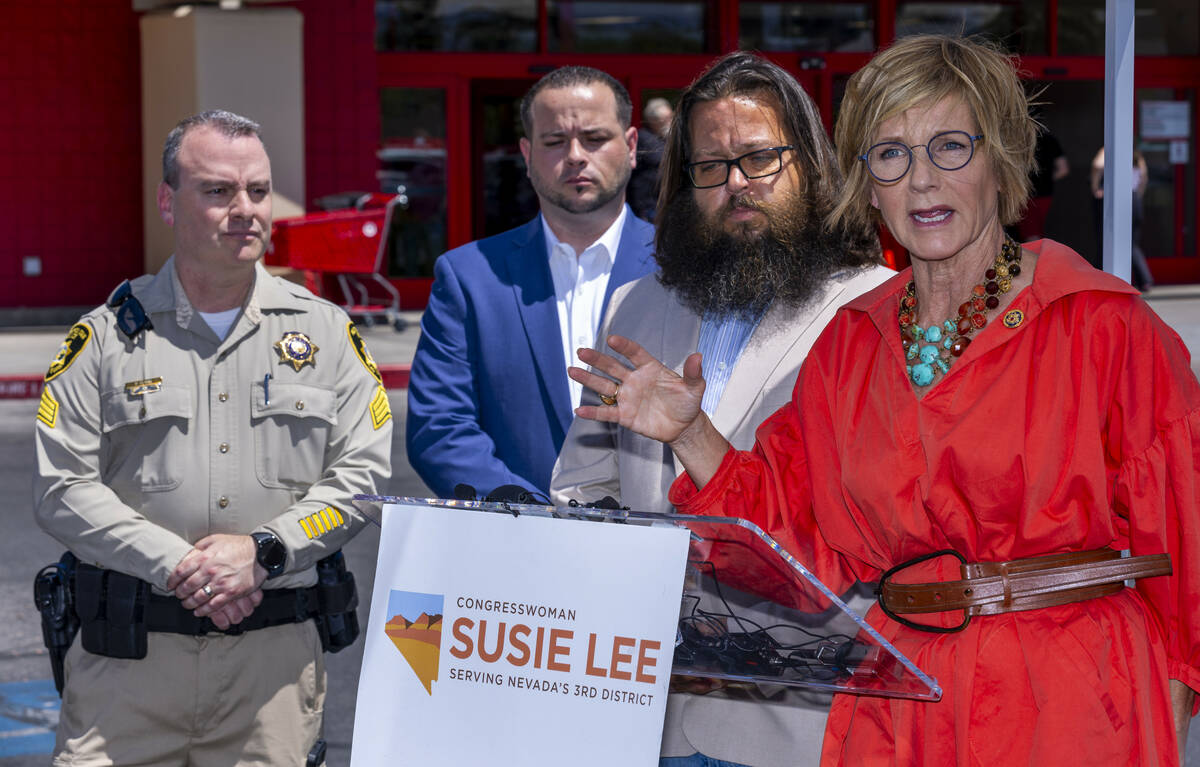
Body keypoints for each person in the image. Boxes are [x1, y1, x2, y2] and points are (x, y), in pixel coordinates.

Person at [569, 35, 1200, 766]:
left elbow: (1186, 557)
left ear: (1000, 161)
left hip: (1071, 708)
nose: (922, 181)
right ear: (867, 185)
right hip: (900, 708)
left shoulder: (1105, 327)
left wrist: (1162, 720)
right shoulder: (851, 343)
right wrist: (692, 432)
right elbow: (798, 552)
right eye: (891, 155)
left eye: (951, 147)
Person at [551, 51, 890, 767]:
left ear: (810, 163)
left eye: (759, 158)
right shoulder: (638, 306)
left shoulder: (877, 309)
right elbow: (585, 485)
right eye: (711, 167)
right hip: (655, 714)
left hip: (802, 721)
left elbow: (880, 529)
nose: (737, 184)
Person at [33, 110, 392, 765]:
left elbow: (362, 480)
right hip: (127, 673)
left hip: (271, 678)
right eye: (218, 191)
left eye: (258, 190)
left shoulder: (328, 334)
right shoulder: (105, 336)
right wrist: (180, 567)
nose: (245, 209)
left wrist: (264, 552)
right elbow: (61, 487)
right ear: (169, 202)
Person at [406, 66, 656, 499]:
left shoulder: (681, 270)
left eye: (594, 139)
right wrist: (530, 514)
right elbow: (438, 427)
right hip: (515, 542)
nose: (576, 155)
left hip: (661, 546)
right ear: (526, 153)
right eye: (555, 142)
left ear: (631, 146)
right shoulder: (469, 277)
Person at [1013, 127, 1067, 241]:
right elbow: (1063, 170)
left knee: (1031, 234)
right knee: (1036, 232)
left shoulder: (1018, 140)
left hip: (1025, 194)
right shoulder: (1051, 140)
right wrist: (1047, 178)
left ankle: (1036, 259)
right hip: (1046, 194)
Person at [628, 98, 674, 222]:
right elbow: (662, 159)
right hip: (647, 208)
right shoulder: (643, 138)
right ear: (653, 121)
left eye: (671, 116)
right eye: (666, 118)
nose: (671, 121)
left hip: (663, 206)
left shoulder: (665, 139)